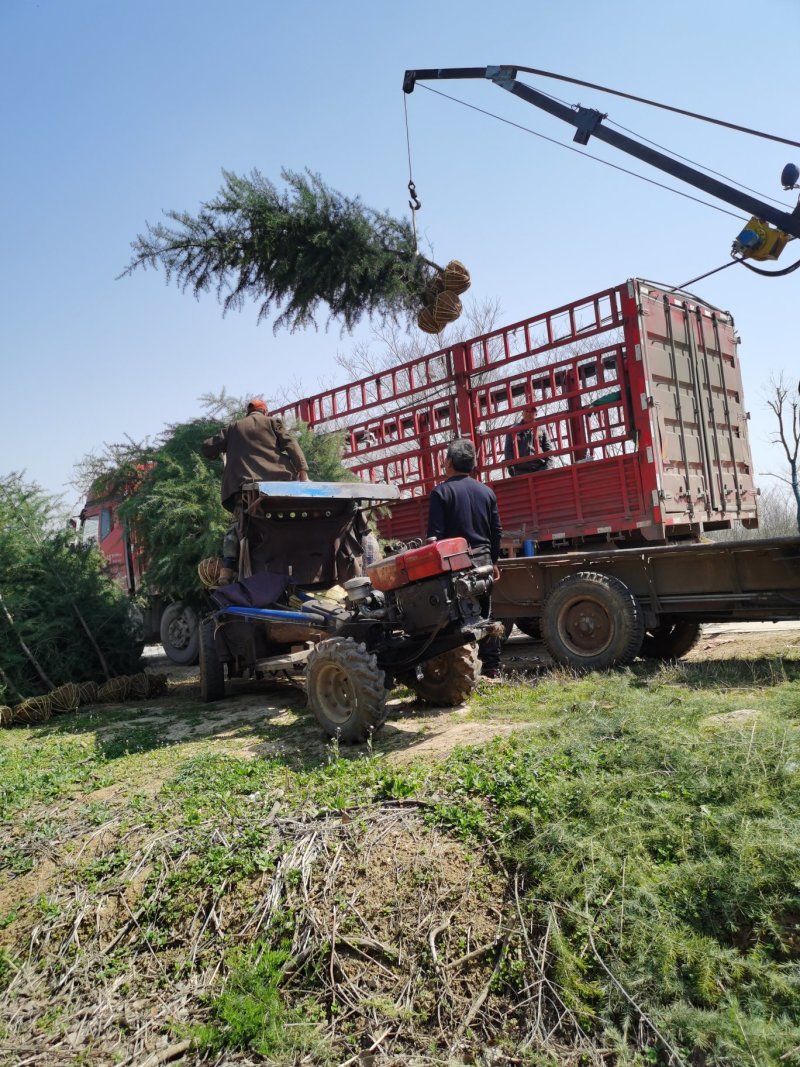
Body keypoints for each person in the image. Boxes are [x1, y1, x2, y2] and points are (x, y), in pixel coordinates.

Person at [202, 399, 310, 580]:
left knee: (236, 528)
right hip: (279, 485)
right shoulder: (272, 422)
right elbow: (292, 444)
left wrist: (219, 451)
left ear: (248, 413)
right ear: (265, 412)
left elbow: (208, 447)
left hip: (244, 489)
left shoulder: (234, 427)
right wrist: (303, 473)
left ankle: (227, 569)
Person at [427, 438, 503, 680]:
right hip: (483, 561)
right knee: (486, 614)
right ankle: (492, 668)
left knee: (457, 618)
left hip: (455, 564)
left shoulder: (441, 493)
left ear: (448, 462)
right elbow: (496, 531)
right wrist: (494, 561)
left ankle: (462, 672)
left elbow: (434, 539)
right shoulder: (486, 491)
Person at [504, 401, 552, 475]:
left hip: (540, 468)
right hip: (520, 470)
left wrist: (548, 467)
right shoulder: (513, 430)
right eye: (526, 411)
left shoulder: (542, 429)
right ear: (522, 413)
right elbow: (508, 450)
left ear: (536, 414)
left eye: (532, 411)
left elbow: (548, 450)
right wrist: (511, 468)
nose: (529, 413)